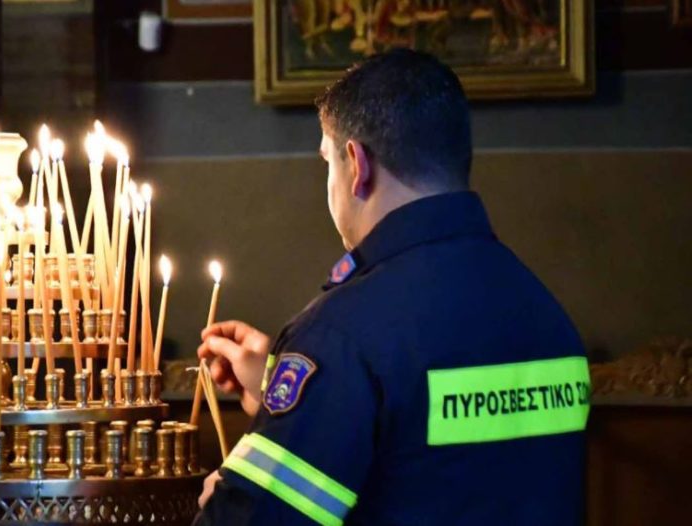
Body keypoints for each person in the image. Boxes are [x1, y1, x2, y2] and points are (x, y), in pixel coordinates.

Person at [194, 49, 590, 526]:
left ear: (357, 164)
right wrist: (287, 389)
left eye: (327, 160)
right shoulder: (544, 312)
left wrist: (226, 498)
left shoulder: (341, 338)